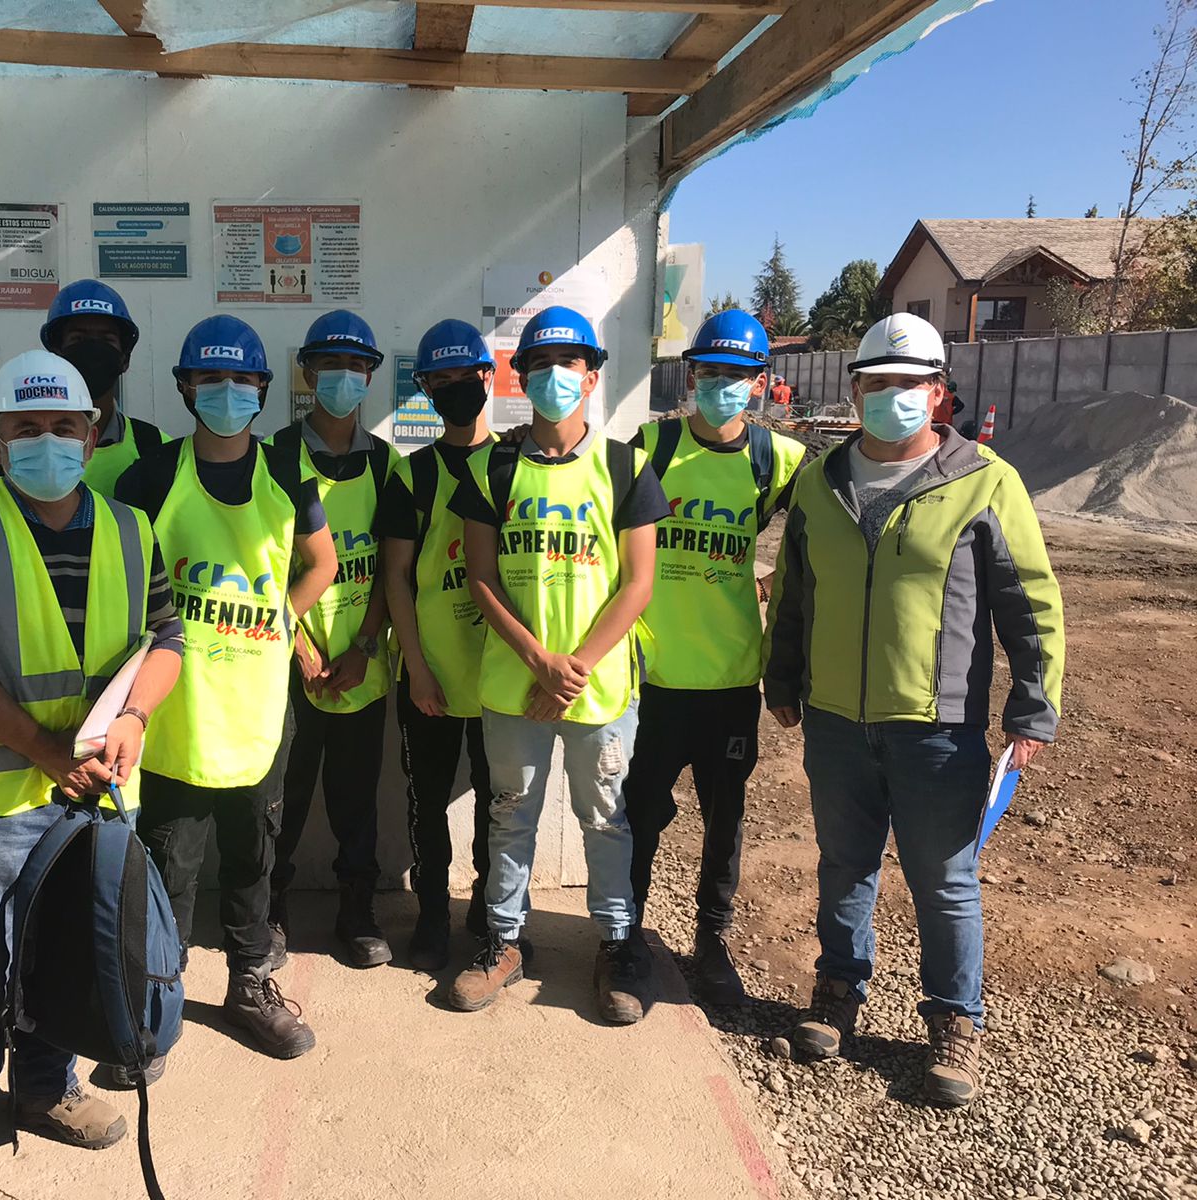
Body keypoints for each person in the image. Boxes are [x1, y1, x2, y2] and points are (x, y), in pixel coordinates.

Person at [764, 312, 1065, 1108]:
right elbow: (795, 591)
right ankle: (837, 995)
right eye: (876, 384)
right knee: (844, 867)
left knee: (945, 879)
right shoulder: (820, 481)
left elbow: (1029, 604)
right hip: (834, 719)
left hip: (940, 726)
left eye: (908, 385)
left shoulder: (985, 480)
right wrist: (783, 679)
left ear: (938, 394)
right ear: (855, 390)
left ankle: (954, 1022)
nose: (890, 397)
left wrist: (1032, 710)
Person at [0, 350, 184, 1199]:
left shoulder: (132, 530)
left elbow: (167, 640)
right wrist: (44, 751)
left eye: (64, 426)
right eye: (24, 428)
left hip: (98, 794)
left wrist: (135, 717)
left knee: (68, 946)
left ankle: (42, 1090)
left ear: (93, 436)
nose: (46, 441)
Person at [115, 316, 337, 1060]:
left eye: (243, 381)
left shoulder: (285, 472)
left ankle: (249, 986)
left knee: (253, 862)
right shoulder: (151, 476)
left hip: (257, 713)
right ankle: (156, 999)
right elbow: (125, 583)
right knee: (168, 868)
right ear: (184, 388)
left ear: (264, 392)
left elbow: (322, 563)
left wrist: (284, 618)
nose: (228, 392)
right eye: (211, 380)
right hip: (175, 715)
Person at [444, 305, 666, 1022]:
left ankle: (617, 943)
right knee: (510, 818)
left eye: (567, 364)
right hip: (515, 685)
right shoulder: (490, 467)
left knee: (606, 819)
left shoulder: (624, 465)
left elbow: (638, 581)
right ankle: (504, 941)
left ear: (593, 376)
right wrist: (539, 659)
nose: (552, 377)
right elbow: (480, 575)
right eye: (537, 365)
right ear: (519, 378)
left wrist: (575, 668)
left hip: (598, 691)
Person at [625, 310, 806, 1005]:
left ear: (759, 383)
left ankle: (712, 940)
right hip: (653, 675)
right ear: (690, 376)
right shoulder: (651, 446)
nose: (722, 386)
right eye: (710, 374)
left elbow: (817, 543)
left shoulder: (779, 458)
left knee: (724, 817)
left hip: (732, 676)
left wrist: (770, 586)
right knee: (639, 812)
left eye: (737, 377)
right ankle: (627, 936)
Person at [266, 311, 399, 969]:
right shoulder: (274, 458)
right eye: (330, 366)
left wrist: (364, 646)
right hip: (290, 668)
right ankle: (271, 913)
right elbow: (261, 570)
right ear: (307, 373)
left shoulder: (384, 463)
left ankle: (357, 913)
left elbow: (389, 569)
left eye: (356, 367)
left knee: (356, 801)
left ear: (370, 375)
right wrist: (301, 649)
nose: (344, 378)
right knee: (279, 802)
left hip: (361, 666)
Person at [375, 319, 499, 970]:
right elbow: (395, 577)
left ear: (489, 376)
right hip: (431, 675)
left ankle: (485, 913)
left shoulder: (515, 464)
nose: (454, 388)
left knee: (496, 805)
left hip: (499, 677)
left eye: (464, 376)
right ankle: (430, 915)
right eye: (439, 380)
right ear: (424, 388)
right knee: (426, 804)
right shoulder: (413, 475)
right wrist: (417, 669)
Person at [0, 279, 164, 496]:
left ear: (125, 358)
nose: (92, 349)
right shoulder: (10, 443)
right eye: (78, 339)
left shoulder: (153, 444)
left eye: (106, 339)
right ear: (55, 354)